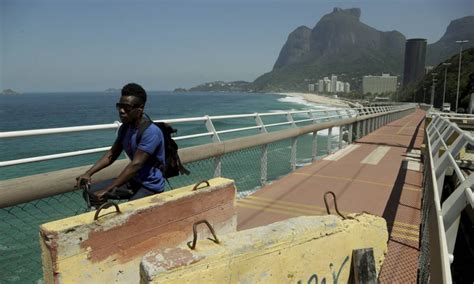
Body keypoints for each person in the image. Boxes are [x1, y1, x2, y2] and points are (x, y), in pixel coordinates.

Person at [76, 83, 165, 202]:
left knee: (131, 209)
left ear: (140, 108)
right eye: (119, 106)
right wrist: (88, 173)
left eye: (127, 107)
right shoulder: (125, 128)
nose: (122, 111)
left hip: (149, 185)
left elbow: (136, 164)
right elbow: (112, 154)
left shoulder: (151, 132)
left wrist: (108, 189)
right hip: (132, 180)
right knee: (90, 193)